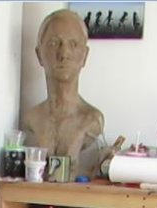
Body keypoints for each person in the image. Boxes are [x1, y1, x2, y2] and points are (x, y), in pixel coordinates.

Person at [23, 9, 105, 177]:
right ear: (39, 54)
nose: (64, 54)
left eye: (73, 44)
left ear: (85, 56)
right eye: (54, 43)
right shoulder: (31, 118)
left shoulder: (92, 120)